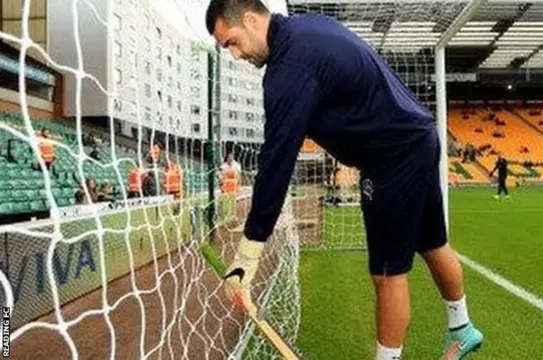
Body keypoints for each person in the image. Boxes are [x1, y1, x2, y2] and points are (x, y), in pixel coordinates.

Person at [205, 2, 483, 359]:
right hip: (417, 136)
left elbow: (277, 162)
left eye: (232, 43)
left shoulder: (289, 67)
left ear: (249, 19)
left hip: (391, 158)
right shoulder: (308, 29)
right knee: (432, 244)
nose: (235, 55)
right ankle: (463, 328)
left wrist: (248, 253)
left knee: (387, 274)